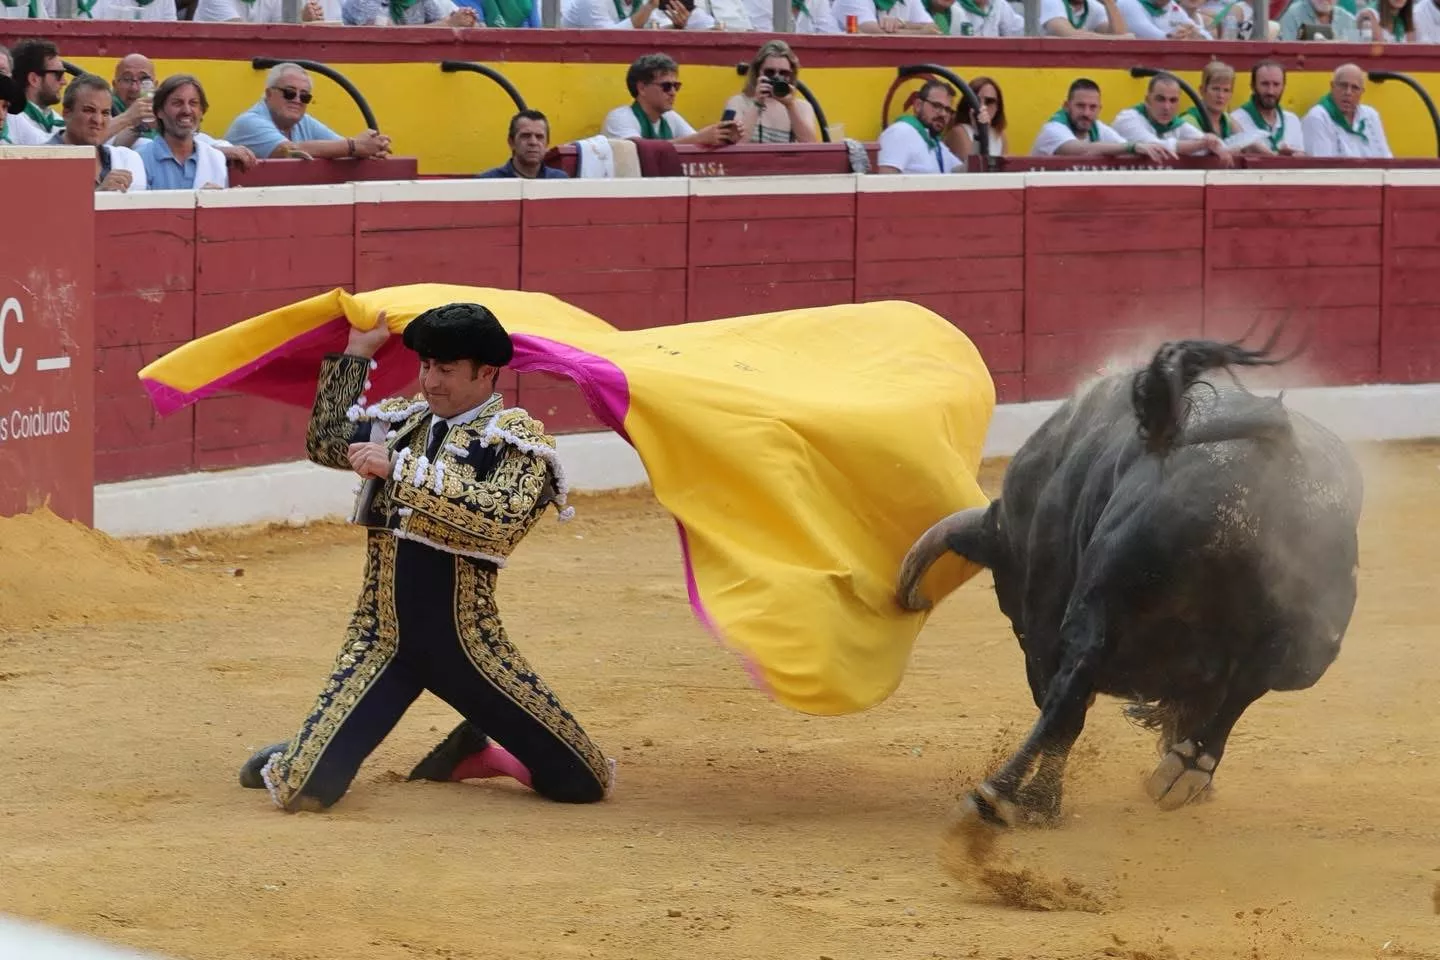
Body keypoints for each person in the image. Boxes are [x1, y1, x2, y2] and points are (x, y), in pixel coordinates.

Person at [239, 304, 614, 812]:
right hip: (382, 637)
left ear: (485, 372)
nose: (430, 382)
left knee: (581, 782)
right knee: (304, 793)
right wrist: (358, 350)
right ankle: (313, 749)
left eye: (446, 370)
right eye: (425, 367)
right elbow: (326, 441)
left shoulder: (516, 441)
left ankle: (482, 755)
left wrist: (399, 471)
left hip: (468, 645)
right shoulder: (404, 426)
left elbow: (500, 519)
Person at [721, 40, 819, 145]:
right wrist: (758, 104)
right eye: (770, 72)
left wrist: (790, 106)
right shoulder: (738, 103)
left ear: (791, 75)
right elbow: (733, 146)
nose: (776, 77)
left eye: (783, 73)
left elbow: (811, 147)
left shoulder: (802, 107)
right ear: (758, 72)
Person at [477, 109, 568, 178]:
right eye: (525, 136)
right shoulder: (488, 182)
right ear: (511, 142)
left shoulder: (559, 180)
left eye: (539, 137)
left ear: (547, 144)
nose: (533, 142)